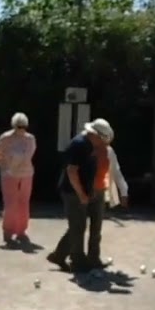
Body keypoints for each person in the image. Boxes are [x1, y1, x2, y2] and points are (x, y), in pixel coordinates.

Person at [47, 118, 114, 276]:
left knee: (78, 226)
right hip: (72, 192)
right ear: (95, 135)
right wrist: (81, 194)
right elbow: (72, 171)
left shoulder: (89, 144)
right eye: (101, 139)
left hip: (82, 190)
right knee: (78, 227)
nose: (102, 143)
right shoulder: (79, 144)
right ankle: (77, 261)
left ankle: (59, 255)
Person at [0, 112, 37, 246]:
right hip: (9, 174)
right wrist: (2, 164)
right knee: (11, 203)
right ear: (14, 125)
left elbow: (28, 155)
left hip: (26, 173)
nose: (21, 129)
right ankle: (8, 231)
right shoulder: (6, 137)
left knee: (24, 203)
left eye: (23, 126)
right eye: (18, 126)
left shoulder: (30, 138)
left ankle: (21, 230)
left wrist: (9, 160)